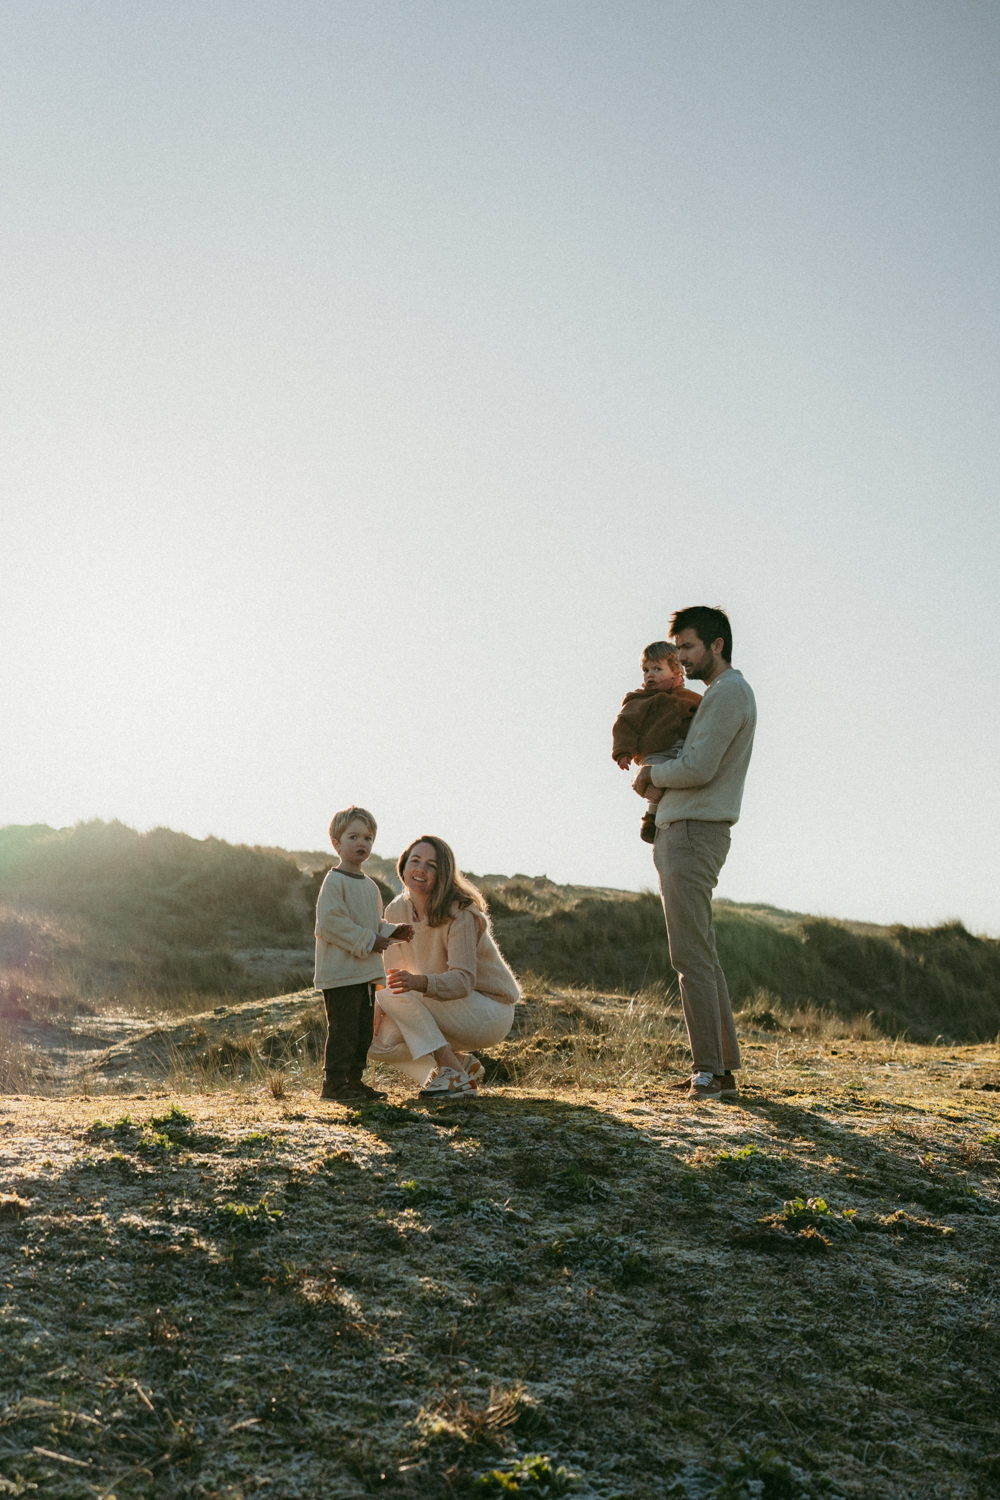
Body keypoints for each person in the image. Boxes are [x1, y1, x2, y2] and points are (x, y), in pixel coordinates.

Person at [632, 607, 756, 1102]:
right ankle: (721, 1069)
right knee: (700, 952)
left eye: (686, 647)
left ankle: (708, 1071)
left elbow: (700, 765)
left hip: (691, 831)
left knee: (689, 955)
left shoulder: (728, 693)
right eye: (676, 648)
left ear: (716, 645)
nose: (679, 657)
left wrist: (652, 775)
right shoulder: (718, 695)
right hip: (687, 829)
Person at [369, 836, 520, 1097]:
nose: (421, 869)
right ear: (403, 866)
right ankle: (459, 1066)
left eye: (432, 865)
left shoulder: (460, 912)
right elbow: (393, 974)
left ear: (444, 875)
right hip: (442, 1007)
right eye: (415, 861)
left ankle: (452, 1073)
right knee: (373, 1041)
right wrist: (378, 1011)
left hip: (488, 1011)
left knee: (388, 991)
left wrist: (418, 983)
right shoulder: (396, 911)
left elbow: (462, 981)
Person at [313, 806, 413, 1103]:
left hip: (366, 974)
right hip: (340, 973)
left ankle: (353, 1082)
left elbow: (374, 925)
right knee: (342, 1030)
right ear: (336, 843)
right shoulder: (334, 881)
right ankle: (333, 1085)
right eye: (353, 836)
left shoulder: (370, 886)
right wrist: (371, 940)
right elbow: (331, 924)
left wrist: (392, 932)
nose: (362, 843)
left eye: (368, 838)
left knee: (361, 1033)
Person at [612, 641, 703, 843]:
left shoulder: (691, 698)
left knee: (685, 776)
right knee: (658, 779)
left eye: (657, 669)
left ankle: (683, 814)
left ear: (677, 672)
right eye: (646, 670)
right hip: (654, 751)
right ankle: (651, 818)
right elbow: (625, 726)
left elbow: (705, 718)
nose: (649, 675)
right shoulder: (639, 701)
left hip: (682, 749)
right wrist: (623, 751)